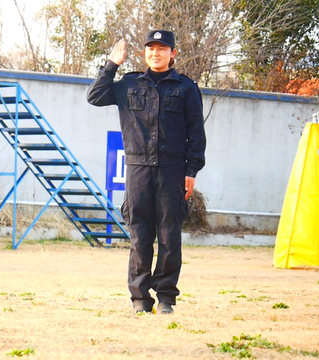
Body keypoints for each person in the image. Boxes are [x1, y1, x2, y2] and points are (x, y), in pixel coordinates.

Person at [86, 30, 206, 314]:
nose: (156, 53)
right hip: (138, 170)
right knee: (139, 236)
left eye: (162, 48)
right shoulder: (127, 84)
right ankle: (140, 298)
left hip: (172, 171)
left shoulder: (186, 88)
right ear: (144, 53)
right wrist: (111, 65)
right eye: (151, 48)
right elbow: (94, 96)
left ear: (172, 53)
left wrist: (192, 170)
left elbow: (196, 135)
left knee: (169, 236)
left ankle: (165, 297)